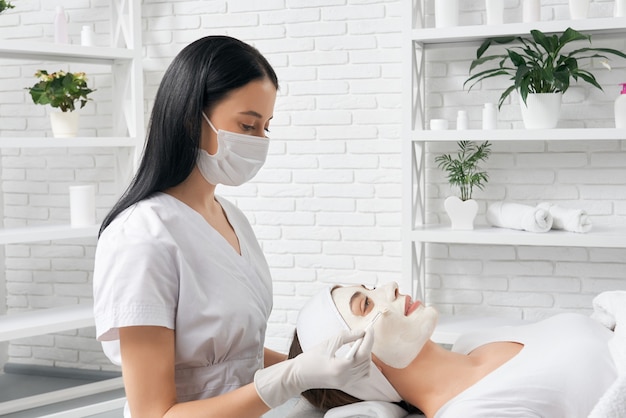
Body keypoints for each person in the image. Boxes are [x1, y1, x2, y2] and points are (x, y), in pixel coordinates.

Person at [92, 35, 375, 418]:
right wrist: (293, 376)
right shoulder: (141, 236)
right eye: (247, 125)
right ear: (191, 118)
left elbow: (233, 354)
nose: (259, 141)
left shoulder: (230, 218)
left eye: (266, 128)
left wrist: (325, 371)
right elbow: (154, 414)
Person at [290, 281, 618, 418]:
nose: (390, 286)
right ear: (356, 361)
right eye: (365, 303)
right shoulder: (472, 413)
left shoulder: (474, 340)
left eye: (370, 287)